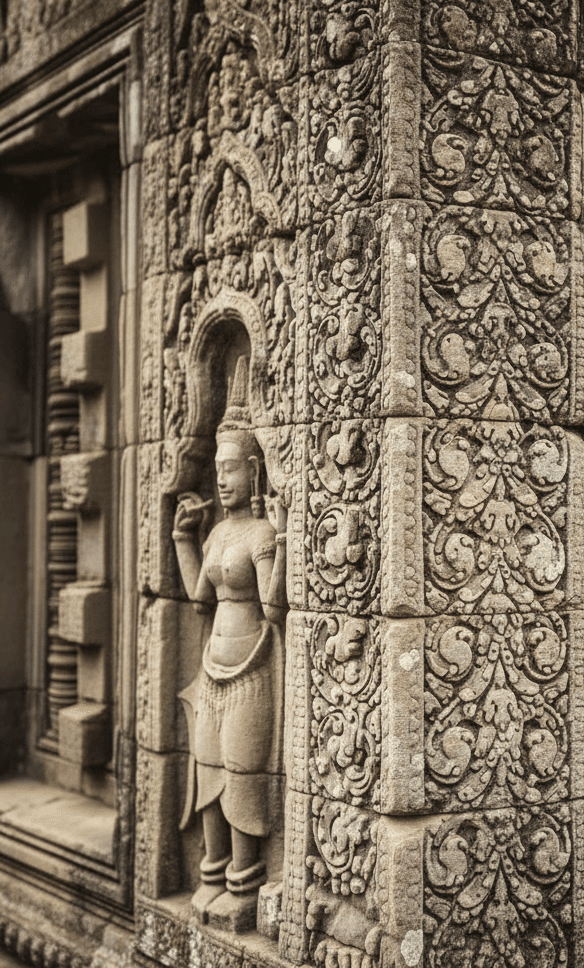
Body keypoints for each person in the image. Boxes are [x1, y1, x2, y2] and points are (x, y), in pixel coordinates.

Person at [172, 356, 287, 927]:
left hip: (252, 665)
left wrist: (284, 544)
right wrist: (180, 537)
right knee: (209, 768)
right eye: (218, 468)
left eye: (232, 469)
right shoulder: (219, 530)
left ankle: (244, 883)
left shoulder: (261, 533)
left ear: (255, 472)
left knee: (242, 773)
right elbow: (197, 595)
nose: (221, 478)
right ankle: (212, 870)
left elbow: (271, 606)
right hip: (211, 664)